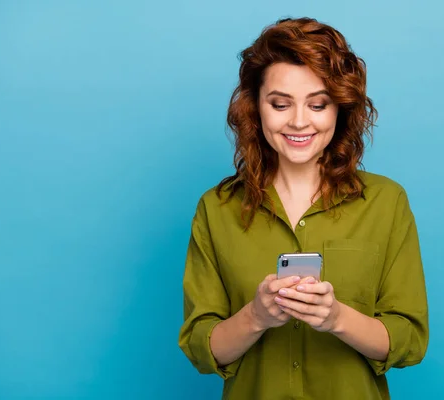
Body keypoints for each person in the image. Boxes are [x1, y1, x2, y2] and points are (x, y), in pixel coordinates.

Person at [178, 17, 428, 400]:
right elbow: (202, 348)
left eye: (317, 104)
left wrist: (336, 318)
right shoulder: (217, 208)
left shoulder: (386, 202)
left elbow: (409, 341)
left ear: (339, 109)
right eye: (280, 104)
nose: (298, 121)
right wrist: (256, 317)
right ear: (256, 108)